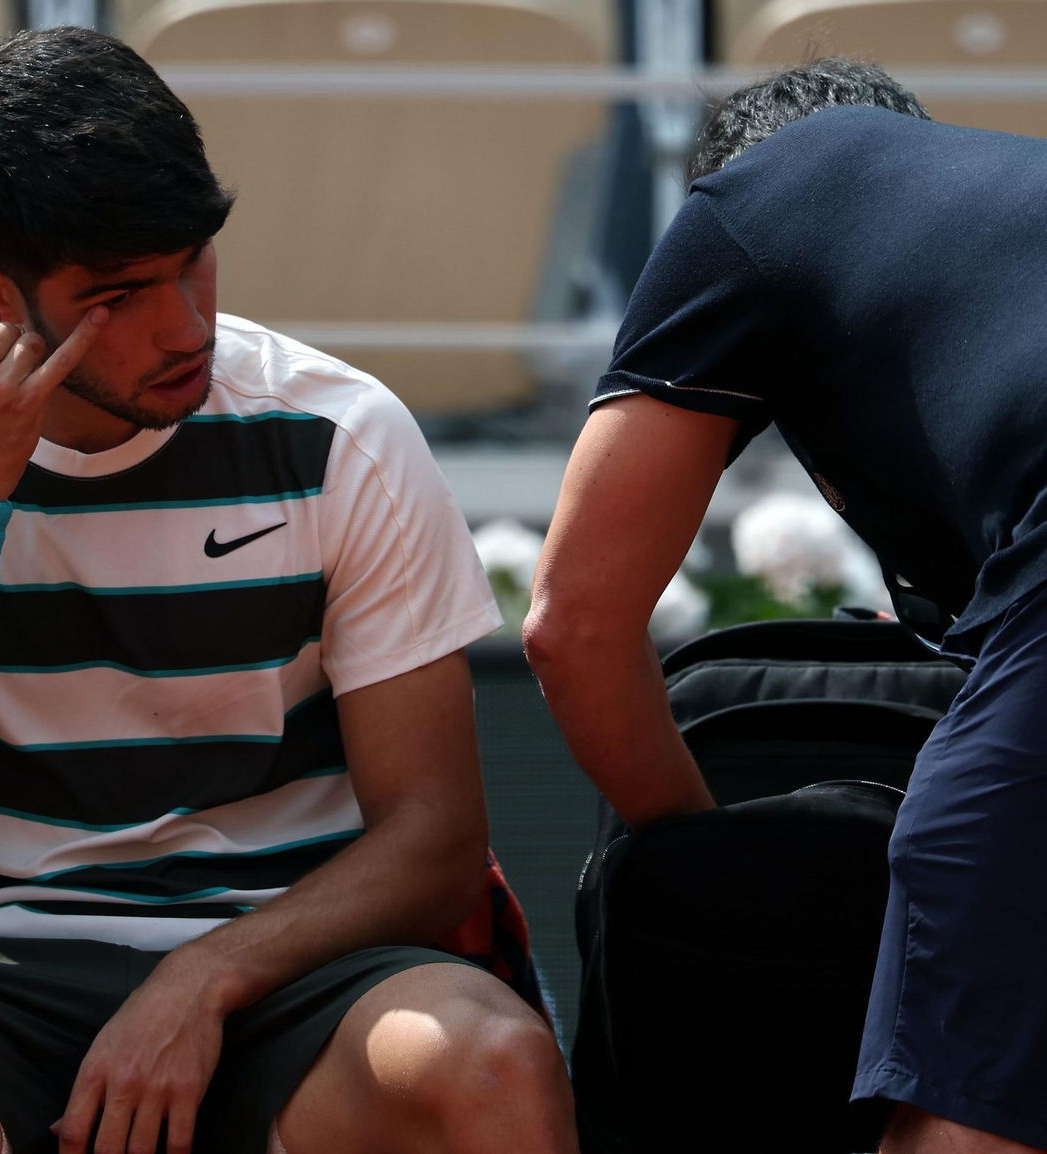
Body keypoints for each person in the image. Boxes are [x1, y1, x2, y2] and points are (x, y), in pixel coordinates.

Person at [0, 27, 573, 1154]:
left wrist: (204, 976)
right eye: (117, 293)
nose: (183, 327)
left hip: (283, 969)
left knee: (493, 1064)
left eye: (193, 259)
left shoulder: (340, 432)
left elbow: (435, 837)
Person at [524, 58, 1047, 1154]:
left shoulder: (757, 197)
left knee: (955, 1110)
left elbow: (573, 621)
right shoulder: (988, 218)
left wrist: (695, 857)